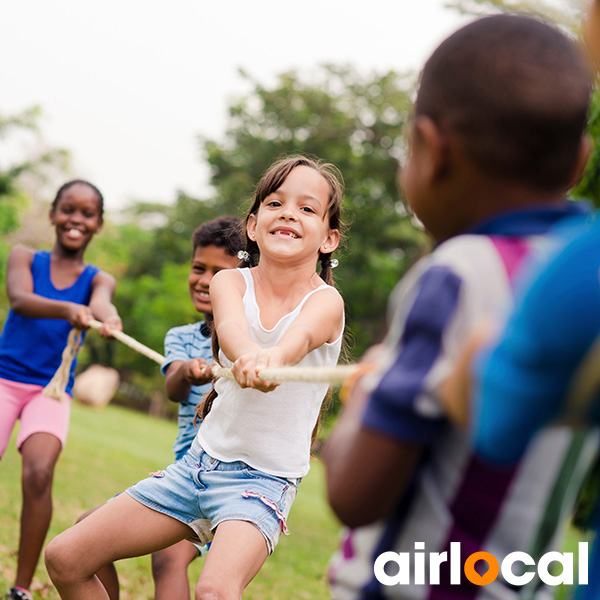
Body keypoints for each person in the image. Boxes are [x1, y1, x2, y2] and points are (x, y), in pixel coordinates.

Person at [323, 14, 598, 599]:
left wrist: (365, 394)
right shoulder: (587, 278)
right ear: (579, 160)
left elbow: (355, 495)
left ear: (431, 149)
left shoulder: (457, 274)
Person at [44, 155, 346, 600]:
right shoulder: (230, 283)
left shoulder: (326, 303)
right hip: (197, 467)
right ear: (253, 224)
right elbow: (232, 332)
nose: (288, 213)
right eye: (276, 203)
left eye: (307, 209)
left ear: (328, 238)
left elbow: (296, 341)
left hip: (261, 484)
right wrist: (248, 358)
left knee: (213, 592)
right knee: (65, 558)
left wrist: (271, 360)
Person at [76, 216, 244, 600]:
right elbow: (172, 390)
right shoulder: (182, 338)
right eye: (198, 267)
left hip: (224, 481)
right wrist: (186, 371)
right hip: (183, 476)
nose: (204, 280)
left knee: (167, 559)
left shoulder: (249, 340)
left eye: (219, 272)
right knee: (86, 531)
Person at [0, 180, 122, 600]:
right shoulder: (24, 258)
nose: (76, 220)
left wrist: (109, 319)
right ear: (53, 214)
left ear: (98, 225)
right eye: (68, 210)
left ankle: (20, 588)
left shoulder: (96, 279)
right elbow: (19, 298)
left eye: (87, 214)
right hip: (4, 380)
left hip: (49, 392)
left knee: (39, 472)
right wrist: (70, 309)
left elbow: (103, 302)